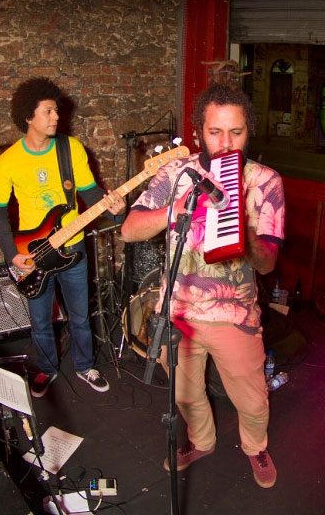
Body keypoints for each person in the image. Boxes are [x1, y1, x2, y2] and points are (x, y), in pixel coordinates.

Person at [120, 66, 285, 488]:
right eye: (215, 132)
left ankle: (256, 446)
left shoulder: (265, 182)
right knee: (184, 394)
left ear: (249, 132)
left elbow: (267, 263)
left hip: (236, 315)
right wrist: (176, 210)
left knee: (250, 397)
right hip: (177, 312)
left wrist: (242, 229)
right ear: (198, 132)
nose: (226, 143)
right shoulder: (175, 173)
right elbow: (130, 229)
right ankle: (203, 441)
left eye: (236, 133)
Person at [0, 77, 126, 398]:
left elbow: (91, 192)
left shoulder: (70, 148)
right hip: (32, 254)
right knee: (40, 321)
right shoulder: (8, 160)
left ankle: (84, 366)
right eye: (48, 111)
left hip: (72, 248)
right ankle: (48, 368)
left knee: (79, 316)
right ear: (28, 117)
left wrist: (117, 211)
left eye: (56, 111)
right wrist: (13, 255)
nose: (56, 117)